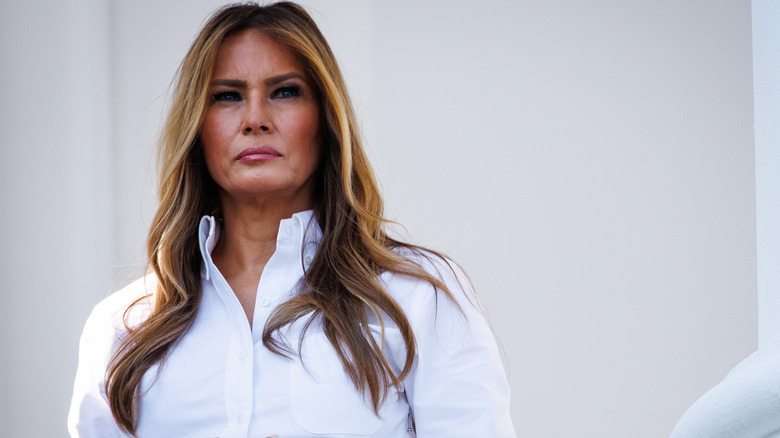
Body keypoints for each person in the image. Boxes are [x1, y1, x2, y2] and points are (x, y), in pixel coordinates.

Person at [67, 2, 516, 437]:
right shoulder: (124, 328)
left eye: (284, 91)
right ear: (197, 127)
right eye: (227, 96)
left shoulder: (418, 298)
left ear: (326, 118)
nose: (255, 119)